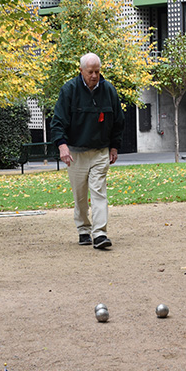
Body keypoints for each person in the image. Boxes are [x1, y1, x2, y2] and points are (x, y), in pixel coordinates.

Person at [50, 53, 124, 249]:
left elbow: (118, 121)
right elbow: (58, 121)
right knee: (80, 195)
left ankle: (99, 234)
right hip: (76, 153)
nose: (94, 76)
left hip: (100, 151)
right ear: (81, 71)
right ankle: (84, 229)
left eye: (97, 72)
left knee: (99, 192)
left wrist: (114, 146)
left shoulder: (109, 90)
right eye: (90, 72)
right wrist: (62, 145)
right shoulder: (69, 90)